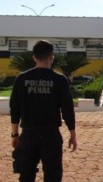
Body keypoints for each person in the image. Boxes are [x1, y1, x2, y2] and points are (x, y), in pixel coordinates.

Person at [9, 40, 77, 181]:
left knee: (26, 175)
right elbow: (68, 110)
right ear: (52, 57)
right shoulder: (60, 80)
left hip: (28, 135)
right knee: (53, 175)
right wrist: (73, 135)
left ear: (34, 57)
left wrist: (14, 135)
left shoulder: (21, 79)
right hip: (51, 135)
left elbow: (14, 109)